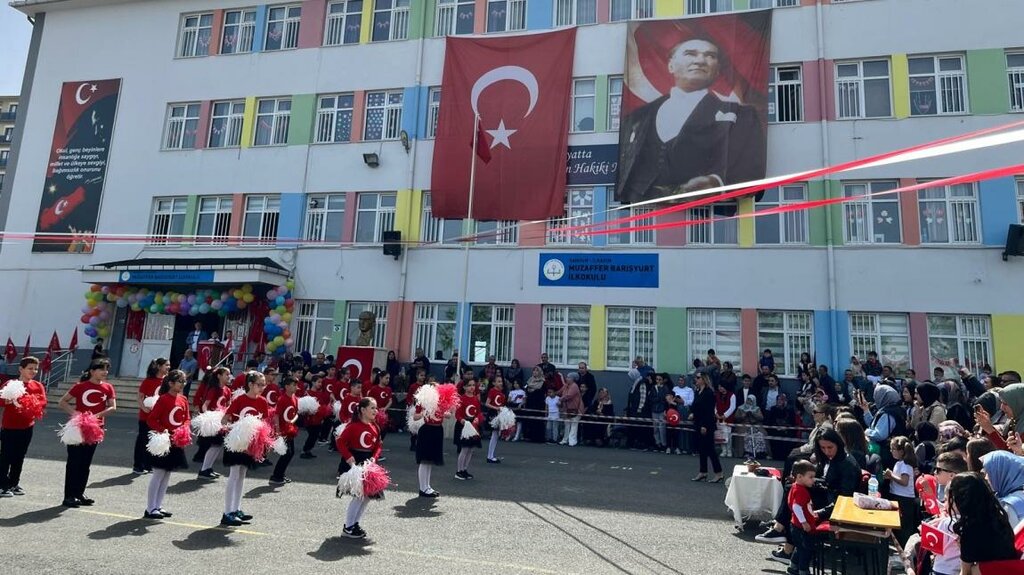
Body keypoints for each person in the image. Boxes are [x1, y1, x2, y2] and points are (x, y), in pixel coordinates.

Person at [617, 37, 765, 204]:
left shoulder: (742, 116)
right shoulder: (638, 118)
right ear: (670, 65)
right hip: (643, 215)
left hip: (708, 215)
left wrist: (716, 183)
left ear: (717, 71)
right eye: (690, 54)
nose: (700, 60)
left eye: (710, 56)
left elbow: (751, 168)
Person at [58, 358, 116, 507]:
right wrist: (76, 414)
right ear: (92, 371)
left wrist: (95, 416)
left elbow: (113, 407)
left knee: (85, 463)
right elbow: (62, 402)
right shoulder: (80, 386)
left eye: (106, 369)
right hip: (78, 428)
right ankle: (69, 496)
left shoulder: (108, 387)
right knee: (74, 462)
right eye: (101, 369)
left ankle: (79, 493)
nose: (105, 372)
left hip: (95, 429)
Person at [220, 371, 270, 527]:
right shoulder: (240, 400)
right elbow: (224, 420)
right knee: (234, 475)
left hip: (249, 445)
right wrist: (236, 430)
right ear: (250, 384)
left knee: (242, 476)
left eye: (264, 385)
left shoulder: (262, 401)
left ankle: (236, 509)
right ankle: (227, 513)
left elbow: (263, 424)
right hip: (237, 443)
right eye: (259, 384)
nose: (262, 387)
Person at [947, 472, 1021, 572]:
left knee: (975, 569)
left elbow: (966, 572)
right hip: (1011, 570)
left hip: (988, 571)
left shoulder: (970, 530)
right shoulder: (999, 519)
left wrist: (963, 549)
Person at [143, 369, 190, 520]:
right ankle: (150, 508)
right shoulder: (163, 399)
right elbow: (151, 419)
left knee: (167, 474)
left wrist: (184, 429)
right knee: (158, 474)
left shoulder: (183, 399)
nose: (183, 384)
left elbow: (187, 418)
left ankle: (158, 505)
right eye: (180, 381)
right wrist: (164, 431)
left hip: (176, 440)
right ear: (171, 383)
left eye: (184, 381)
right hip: (163, 440)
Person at [337, 397, 384, 538]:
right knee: (358, 495)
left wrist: (373, 459)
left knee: (368, 496)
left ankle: (355, 523)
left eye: (376, 408)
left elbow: (378, 446)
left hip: (368, 464)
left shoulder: (375, 427)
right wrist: (348, 457)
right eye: (372, 408)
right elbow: (340, 442)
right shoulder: (353, 426)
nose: (376, 411)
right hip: (355, 463)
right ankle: (348, 527)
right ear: (363, 410)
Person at [0, 357, 47, 497]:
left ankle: (14, 483)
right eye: (30, 368)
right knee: (6, 456)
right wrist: (7, 401)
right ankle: (2, 485)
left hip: (27, 426)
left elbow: (42, 404)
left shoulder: (38, 386)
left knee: (20, 456)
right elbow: (1, 402)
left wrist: (34, 404)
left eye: (36, 369)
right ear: (21, 369)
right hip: (10, 426)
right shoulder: (11, 383)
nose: (33, 371)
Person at [134, 358, 168, 475]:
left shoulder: (168, 381)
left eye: (169, 365)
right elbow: (140, 397)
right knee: (143, 440)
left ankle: (149, 464)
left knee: (155, 440)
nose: (168, 367)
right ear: (159, 366)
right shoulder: (148, 381)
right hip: (146, 417)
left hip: (159, 418)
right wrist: (144, 408)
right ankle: (138, 465)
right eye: (166, 365)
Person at [197, 366, 231, 479]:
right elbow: (205, 405)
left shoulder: (227, 390)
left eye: (229, 374)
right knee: (215, 445)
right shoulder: (214, 389)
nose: (228, 376)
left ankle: (208, 467)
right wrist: (208, 416)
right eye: (226, 374)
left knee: (218, 445)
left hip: (222, 421)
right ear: (219, 376)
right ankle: (204, 469)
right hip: (213, 421)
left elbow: (228, 405)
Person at [884, 435, 919, 545]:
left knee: (903, 528)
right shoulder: (899, 463)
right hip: (897, 496)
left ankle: (905, 548)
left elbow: (904, 481)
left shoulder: (905, 465)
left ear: (901, 451)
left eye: (893, 449)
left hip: (904, 499)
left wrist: (891, 475)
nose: (891, 451)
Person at [411, 379, 443, 498]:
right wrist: (424, 413)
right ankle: (422, 488)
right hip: (427, 430)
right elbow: (415, 417)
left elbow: (447, 415)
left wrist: (447, 413)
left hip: (437, 430)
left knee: (430, 461)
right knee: (424, 460)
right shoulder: (422, 401)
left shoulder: (441, 402)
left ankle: (427, 486)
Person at [787, 460, 819, 575]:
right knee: (806, 550)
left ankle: (793, 567)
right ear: (800, 477)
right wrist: (804, 522)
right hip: (801, 527)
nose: (813, 480)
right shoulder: (800, 491)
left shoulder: (796, 487)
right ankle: (803, 571)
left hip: (796, 525)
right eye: (810, 477)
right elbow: (796, 507)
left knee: (800, 548)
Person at [690, 373, 723, 482]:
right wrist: (692, 413)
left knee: (710, 449)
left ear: (704, 379)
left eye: (698, 378)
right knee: (701, 449)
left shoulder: (709, 393)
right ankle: (703, 471)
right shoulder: (697, 392)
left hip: (706, 424)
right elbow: (695, 406)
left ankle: (719, 473)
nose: (696, 379)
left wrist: (704, 425)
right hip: (698, 422)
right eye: (696, 378)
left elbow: (708, 411)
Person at [979, 450, 1024, 526]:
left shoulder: (1010, 506)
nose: (986, 478)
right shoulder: (1019, 495)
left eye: (988, 472)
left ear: (1001, 473)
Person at [269, 376, 300, 486]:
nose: (296, 387)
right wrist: (277, 431)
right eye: (294, 385)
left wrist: (292, 421)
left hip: (290, 430)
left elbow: (296, 413)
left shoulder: (295, 398)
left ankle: (280, 474)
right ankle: (276, 476)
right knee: (287, 454)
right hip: (282, 430)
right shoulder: (282, 399)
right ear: (287, 386)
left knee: (290, 453)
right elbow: (276, 415)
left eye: (296, 385)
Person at [454, 380, 483, 480]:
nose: (472, 387)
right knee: (464, 449)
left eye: (473, 385)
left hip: (473, 425)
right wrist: (463, 421)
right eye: (469, 385)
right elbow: (457, 414)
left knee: (471, 449)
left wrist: (477, 418)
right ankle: (459, 471)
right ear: (464, 387)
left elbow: (479, 412)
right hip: (464, 425)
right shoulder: (461, 399)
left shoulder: (475, 399)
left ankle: (465, 469)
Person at [484, 373, 507, 463]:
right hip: (493, 414)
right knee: (494, 434)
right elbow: (487, 403)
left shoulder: (502, 393)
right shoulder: (492, 391)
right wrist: (496, 408)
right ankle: (490, 456)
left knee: (496, 435)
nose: (501, 383)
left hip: (498, 414)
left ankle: (491, 455)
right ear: (493, 383)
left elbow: (501, 405)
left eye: (501, 381)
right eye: (498, 381)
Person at [523, 366, 547, 443]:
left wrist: (534, 390)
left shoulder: (543, 382)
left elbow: (542, 393)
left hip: (538, 404)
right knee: (530, 420)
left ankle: (538, 438)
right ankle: (529, 436)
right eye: (534, 371)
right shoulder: (530, 380)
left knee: (538, 421)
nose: (535, 372)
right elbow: (526, 388)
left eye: (537, 371)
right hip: (530, 403)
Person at [560, 372, 584, 447]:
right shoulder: (566, 386)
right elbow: (560, 392)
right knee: (566, 424)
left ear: (573, 379)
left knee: (574, 424)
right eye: (567, 377)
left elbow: (569, 396)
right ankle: (565, 439)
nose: (567, 378)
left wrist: (560, 399)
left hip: (576, 408)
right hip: (567, 409)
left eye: (569, 377)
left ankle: (572, 441)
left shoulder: (574, 386)